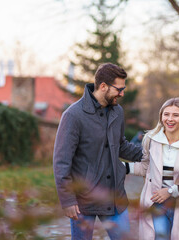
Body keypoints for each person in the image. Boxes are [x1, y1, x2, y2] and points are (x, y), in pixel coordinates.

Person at [53, 63, 142, 240]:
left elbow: (121, 145)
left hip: (115, 197)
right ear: (103, 87)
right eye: (119, 89)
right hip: (84, 201)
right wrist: (68, 200)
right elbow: (61, 162)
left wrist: (150, 153)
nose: (122, 93)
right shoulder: (73, 116)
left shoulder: (117, 112)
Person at [128, 97, 179, 240]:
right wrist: (121, 167)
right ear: (161, 117)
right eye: (166, 114)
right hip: (157, 204)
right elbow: (145, 167)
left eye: (176, 115)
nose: (170, 119)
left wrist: (170, 191)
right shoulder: (151, 140)